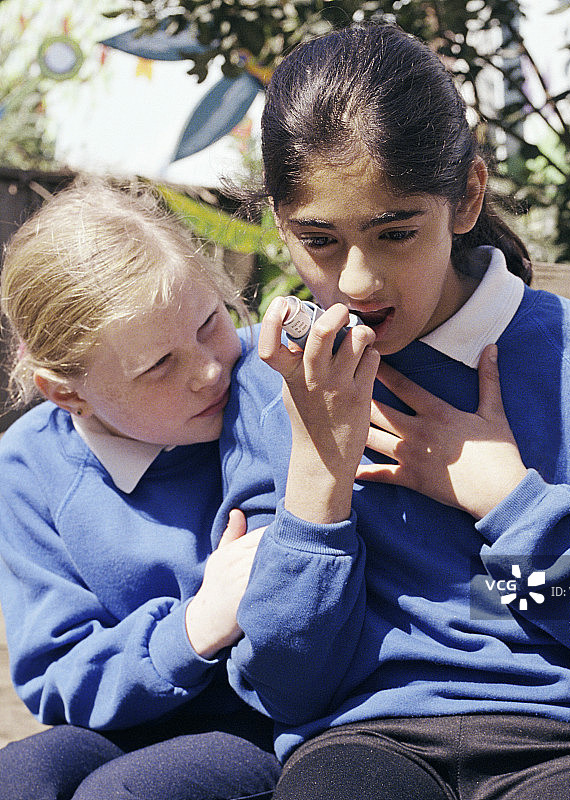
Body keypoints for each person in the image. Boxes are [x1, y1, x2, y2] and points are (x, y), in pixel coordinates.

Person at [218, 22, 570, 800]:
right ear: (279, 224)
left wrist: (509, 504)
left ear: (466, 197)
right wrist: (317, 482)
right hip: (360, 737)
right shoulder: (270, 379)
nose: (359, 279)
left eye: (395, 231)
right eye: (320, 240)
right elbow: (282, 686)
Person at [0, 180, 280, 800]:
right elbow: (57, 674)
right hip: (128, 714)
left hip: (264, 721)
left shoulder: (269, 385)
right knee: (17, 779)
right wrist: (192, 628)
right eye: (159, 366)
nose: (209, 369)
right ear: (66, 393)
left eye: (211, 323)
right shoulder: (28, 466)